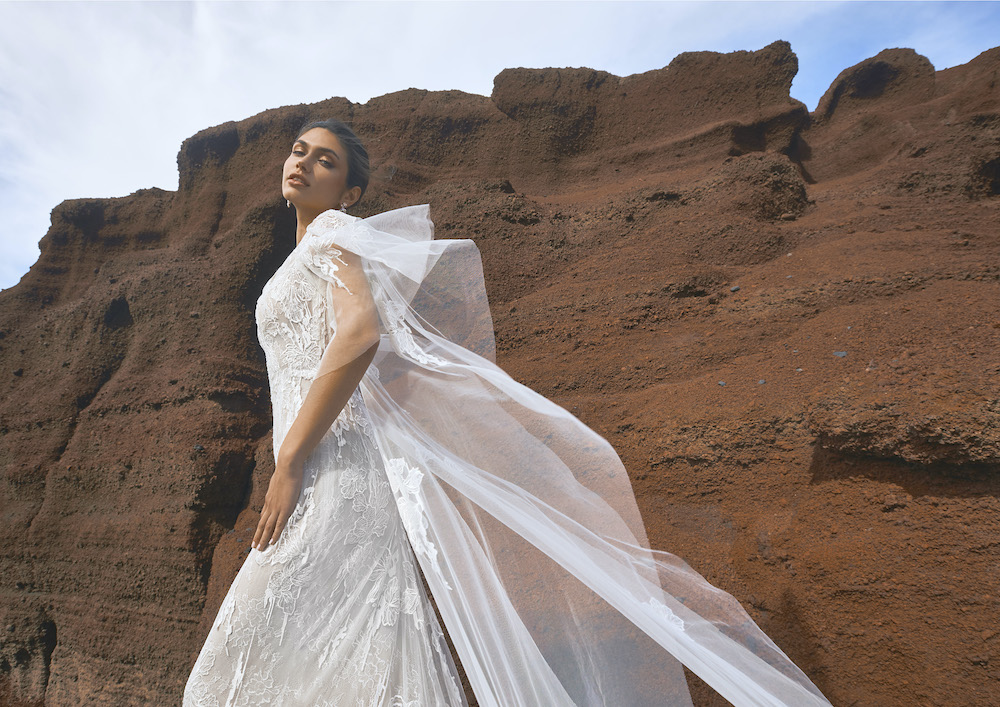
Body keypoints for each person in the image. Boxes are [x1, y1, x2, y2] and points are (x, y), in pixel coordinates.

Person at [184, 118, 834, 706]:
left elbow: (360, 333)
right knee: (336, 650)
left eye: (325, 160)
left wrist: (291, 458)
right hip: (326, 469)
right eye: (299, 150)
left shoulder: (333, 233)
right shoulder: (303, 255)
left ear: (350, 191)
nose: (302, 162)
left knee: (250, 654)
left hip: (335, 473)